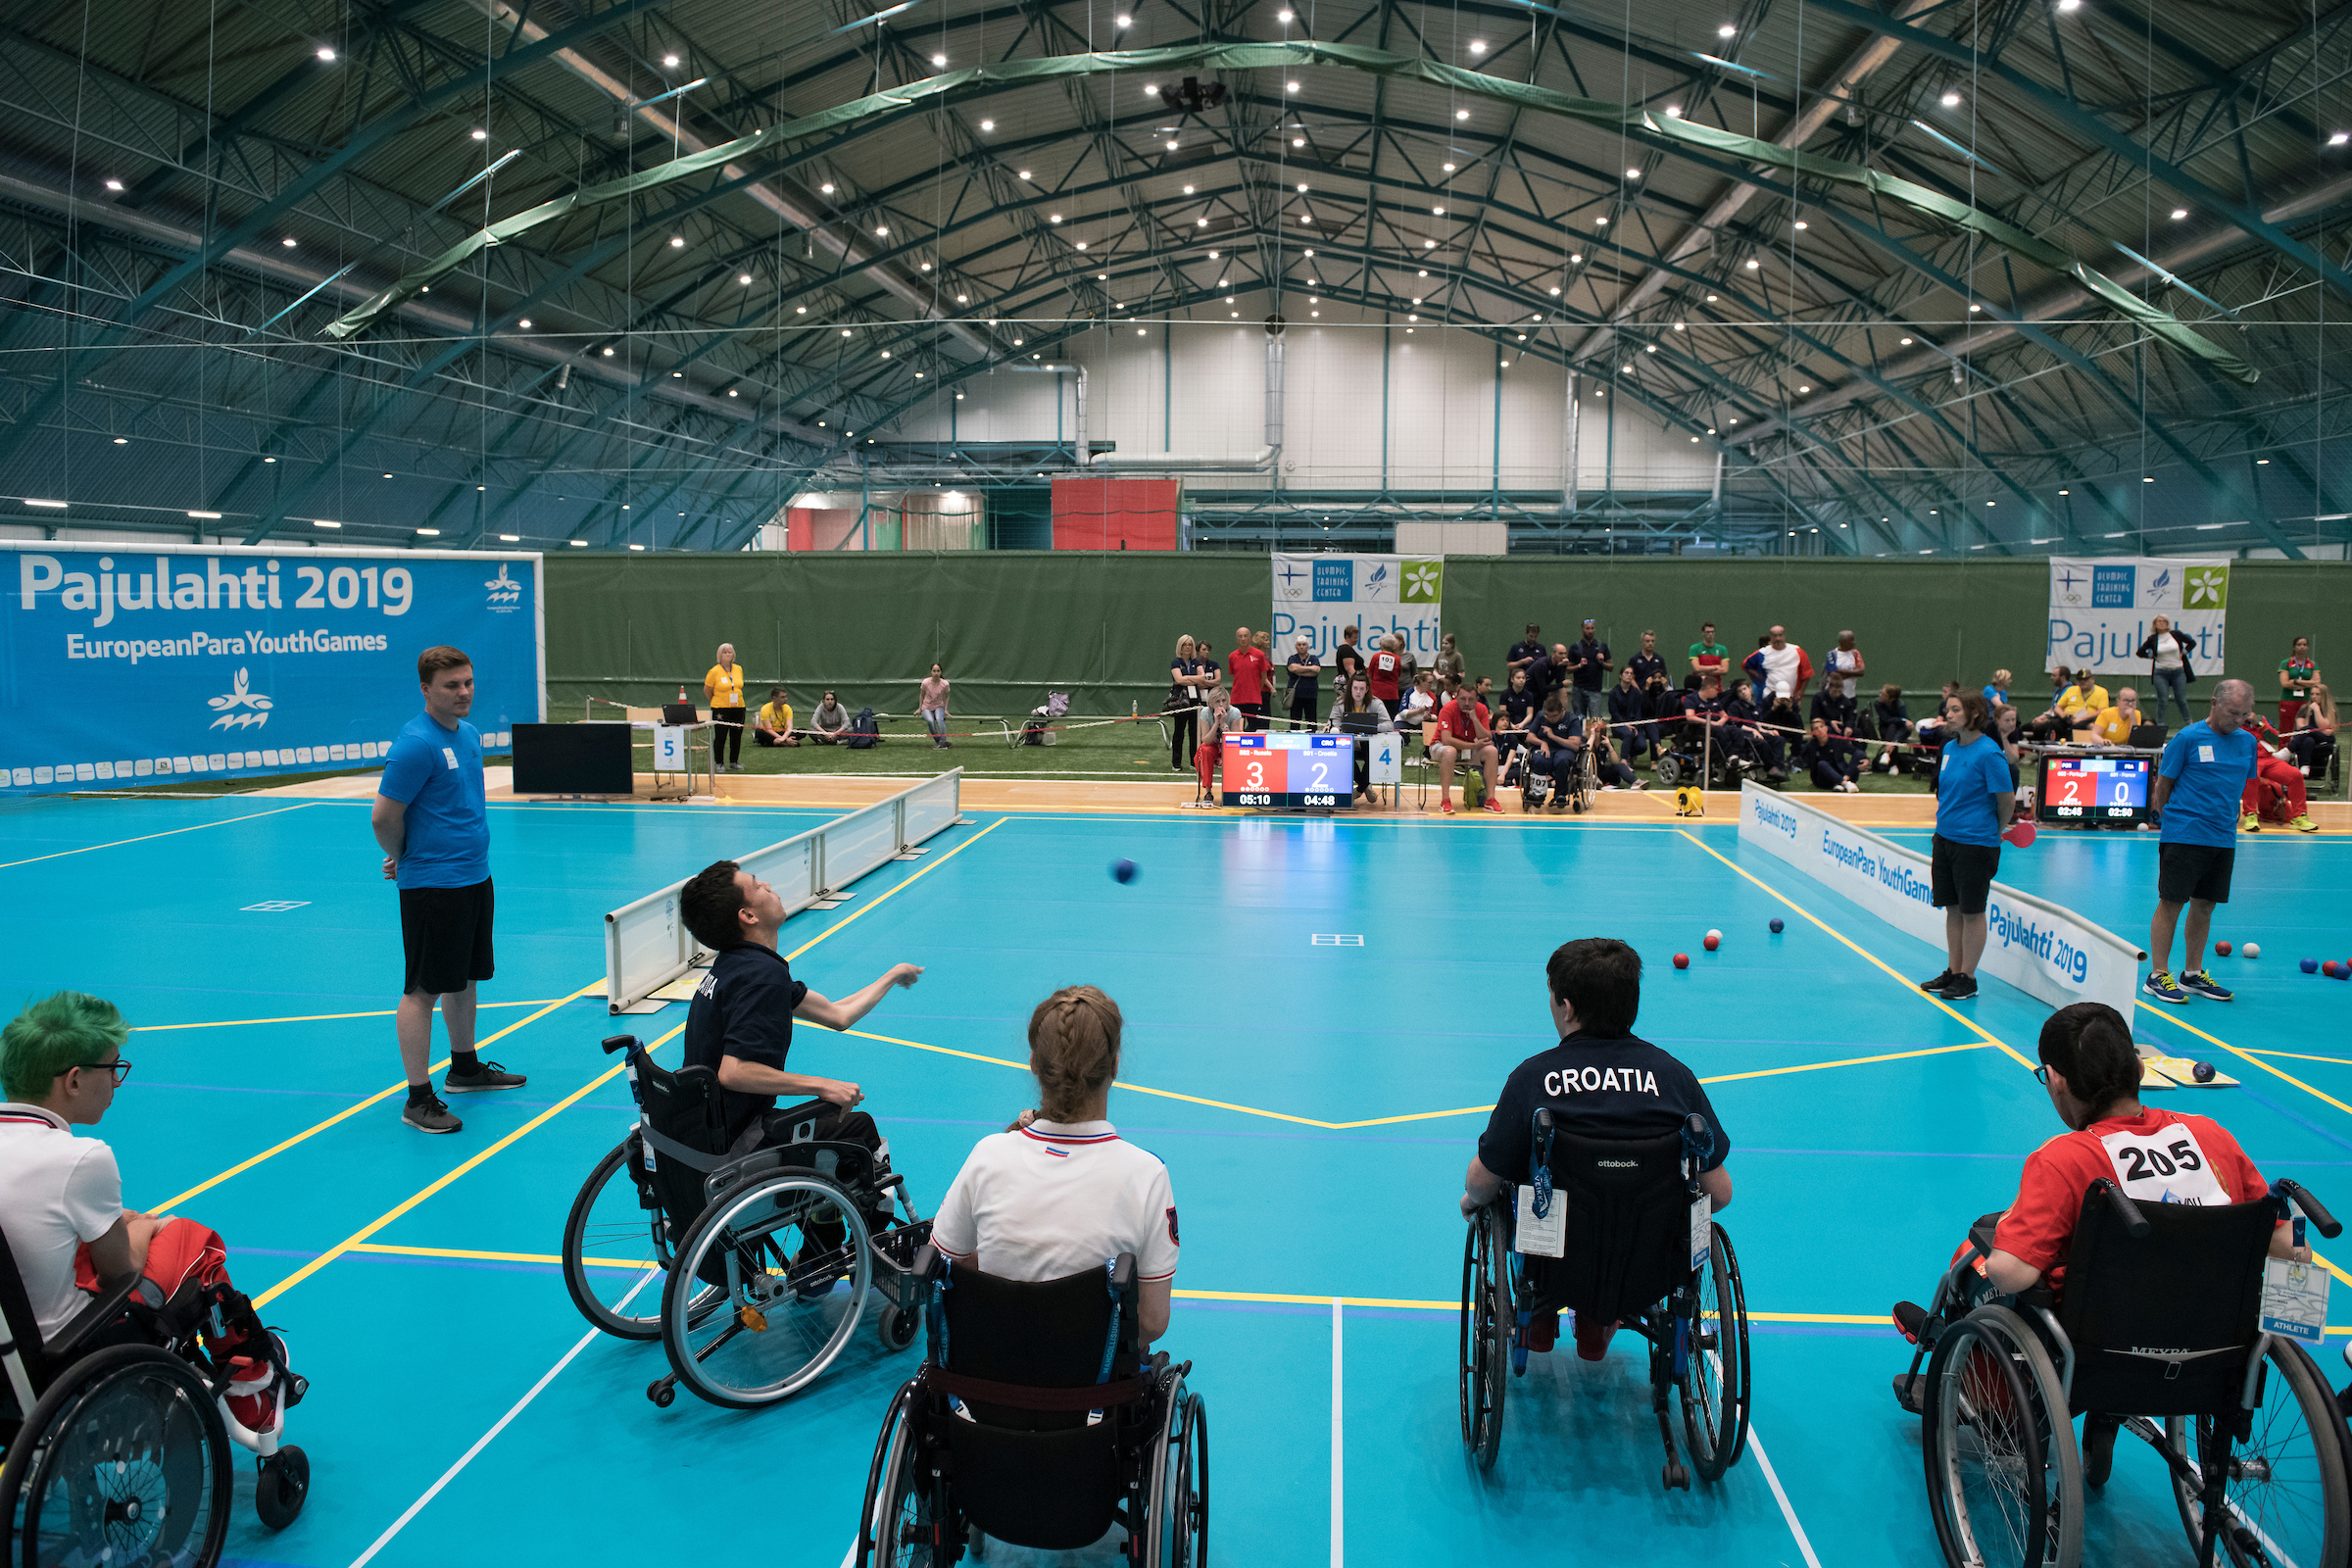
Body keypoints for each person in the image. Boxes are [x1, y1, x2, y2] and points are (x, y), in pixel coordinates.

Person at [1887, 1001, 2299, 1464]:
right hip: (2214, 1348)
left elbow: (2011, 1276)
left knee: (1974, 1258)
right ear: (2137, 1067)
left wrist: (2007, 1229)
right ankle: (2104, 1412)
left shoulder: (2066, 1159)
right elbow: (2290, 1248)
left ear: (2057, 1079)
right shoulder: (2210, 1136)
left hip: (2099, 1349)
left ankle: (1983, 1384)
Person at [0, 993, 300, 1442]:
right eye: (113, 1069)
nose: (118, 1082)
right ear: (75, 1081)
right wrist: (141, 1228)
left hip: (7, 1356)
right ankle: (251, 1385)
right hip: (63, 1356)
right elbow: (119, 1276)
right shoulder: (81, 1159)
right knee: (189, 1240)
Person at [1460, 938, 1734, 1361]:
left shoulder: (1534, 1079)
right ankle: (1599, 1322)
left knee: (1515, 1186)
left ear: (1566, 1007)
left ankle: (1542, 1320)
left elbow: (1482, 1180)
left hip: (1554, 1263)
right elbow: (1720, 1193)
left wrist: (1472, 1199)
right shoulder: (1675, 1079)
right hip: (1648, 1266)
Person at [676, 861, 922, 1245]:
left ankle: (820, 1246)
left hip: (703, 1134)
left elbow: (839, 1015)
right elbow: (734, 1071)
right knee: (857, 1131)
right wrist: (821, 1085)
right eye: (758, 885)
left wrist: (891, 976)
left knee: (827, 1134)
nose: (770, 885)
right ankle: (847, 1247)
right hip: (739, 1143)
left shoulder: (736, 967)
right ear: (748, 914)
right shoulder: (761, 978)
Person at [934, 987, 1178, 1346]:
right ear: (1113, 1066)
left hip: (990, 1383)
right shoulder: (1147, 1176)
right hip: (1094, 1392)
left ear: (1034, 1063)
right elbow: (1152, 1322)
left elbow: (943, 1269)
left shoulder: (988, 1156)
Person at [373, 646, 523, 1135]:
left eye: (468, 683)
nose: (463, 693)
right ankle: (418, 1098)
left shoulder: (471, 735)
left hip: (474, 875)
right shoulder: (415, 744)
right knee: (422, 990)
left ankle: (464, 1068)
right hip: (433, 885)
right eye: (451, 686)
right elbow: (383, 816)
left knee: (465, 977)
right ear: (425, 690)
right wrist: (404, 855)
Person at [2145, 679, 2260, 1005]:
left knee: (2205, 905)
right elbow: (2163, 784)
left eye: (2243, 714)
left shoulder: (2247, 742)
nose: (2237, 720)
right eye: (2232, 712)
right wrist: (2170, 821)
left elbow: (2241, 785)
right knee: (2172, 902)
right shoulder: (2188, 738)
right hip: (2184, 832)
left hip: (2223, 836)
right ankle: (2157, 975)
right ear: (2213, 703)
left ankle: (2192, 974)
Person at [1919, 691, 2016, 1003]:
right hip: (1945, 839)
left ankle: (1968, 978)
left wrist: (1994, 831)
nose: (1948, 715)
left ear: (1974, 714)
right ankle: (1953, 969)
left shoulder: (1990, 754)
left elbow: (2007, 800)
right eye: (1948, 709)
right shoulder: (1948, 748)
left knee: (1973, 912)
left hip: (1975, 844)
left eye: (1955, 710)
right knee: (1953, 908)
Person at [2238, 712, 2319, 834]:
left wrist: (2259, 724)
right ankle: (2250, 814)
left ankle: (2299, 816)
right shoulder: (2231, 721)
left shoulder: (2261, 719)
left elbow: (2275, 738)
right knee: (2252, 775)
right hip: (2248, 759)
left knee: (2295, 775)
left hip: (2268, 758)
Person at [1433, 678, 1501, 815]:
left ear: (1477, 699)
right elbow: (1446, 740)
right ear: (1456, 697)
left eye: (1471, 699)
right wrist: (1473, 745)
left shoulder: (1481, 709)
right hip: (1442, 747)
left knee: (1492, 751)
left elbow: (1487, 737)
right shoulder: (1448, 709)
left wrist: (1475, 718)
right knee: (1450, 751)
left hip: (1469, 748)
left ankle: (1490, 800)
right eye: (1463, 699)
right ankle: (1445, 800)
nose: (1467, 703)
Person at [1326, 670, 1395, 803]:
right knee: (1344, 755)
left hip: (1369, 745)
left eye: (1361, 689)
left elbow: (1389, 725)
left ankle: (1359, 790)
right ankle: (1366, 785)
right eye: (1355, 688)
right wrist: (1337, 727)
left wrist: (1370, 728)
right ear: (1350, 688)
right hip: (1348, 744)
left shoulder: (1376, 703)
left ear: (1367, 689)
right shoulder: (1340, 703)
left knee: (1373, 753)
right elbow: (1333, 722)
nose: (1358, 692)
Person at [2138, 614, 2197, 724]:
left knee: (2181, 699)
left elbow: (2192, 643)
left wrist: (2184, 652)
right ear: (2155, 624)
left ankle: (2189, 723)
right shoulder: (2153, 639)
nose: (2161, 623)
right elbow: (2140, 652)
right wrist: (2151, 656)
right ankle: (2160, 725)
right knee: (2163, 700)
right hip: (2160, 672)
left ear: (2167, 623)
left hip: (2178, 671)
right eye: (2159, 621)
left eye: (2163, 621)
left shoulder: (2176, 634)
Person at [2026, 666, 2109, 743]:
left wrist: (2081, 718)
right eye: (2080, 680)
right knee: (2051, 724)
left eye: (2085, 679)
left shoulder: (2102, 692)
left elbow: (2100, 712)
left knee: (2078, 726)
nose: (2082, 682)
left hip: (2086, 720)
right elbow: (2058, 707)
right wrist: (2063, 715)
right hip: (2068, 718)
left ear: (2092, 680)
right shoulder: (2071, 690)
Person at [1166, 635, 1210, 772]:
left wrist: (1187, 678)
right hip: (1180, 701)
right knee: (1179, 731)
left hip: (1195, 700)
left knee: (1195, 732)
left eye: (1190, 645)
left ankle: (1194, 761)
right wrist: (1192, 679)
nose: (1187, 647)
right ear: (1180, 646)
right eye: (1185, 644)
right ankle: (1176, 763)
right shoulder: (1175, 663)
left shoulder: (1196, 662)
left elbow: (1202, 678)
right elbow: (1178, 680)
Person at [1192, 686, 1243, 800]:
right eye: (1217, 701)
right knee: (1204, 750)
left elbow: (1235, 741)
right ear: (1211, 703)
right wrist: (1216, 723)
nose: (1221, 704)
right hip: (1213, 745)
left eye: (1223, 701)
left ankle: (1233, 791)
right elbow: (1206, 740)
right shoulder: (1205, 712)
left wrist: (1224, 725)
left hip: (1229, 746)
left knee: (1237, 754)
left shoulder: (1235, 712)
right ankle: (1208, 791)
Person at [705, 642, 748, 773]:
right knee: (721, 736)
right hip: (720, 708)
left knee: (736, 735)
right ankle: (719, 763)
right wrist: (717, 701)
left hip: (738, 707)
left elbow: (739, 685)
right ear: (720, 655)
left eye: (730, 652)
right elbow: (707, 690)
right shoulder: (714, 671)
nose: (728, 654)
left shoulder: (738, 669)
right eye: (725, 652)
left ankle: (734, 762)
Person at [1797, 715, 1862, 793]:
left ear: (1826, 728)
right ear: (1813, 732)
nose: (1820, 730)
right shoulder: (1811, 746)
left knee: (1858, 754)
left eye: (1821, 727)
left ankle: (1840, 783)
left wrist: (1865, 760)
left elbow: (1856, 752)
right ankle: (1845, 783)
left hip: (1842, 773)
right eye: (1816, 728)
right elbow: (1807, 763)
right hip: (1823, 778)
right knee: (1822, 763)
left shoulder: (1837, 740)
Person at [1226, 626, 1272, 733]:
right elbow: (1235, 675)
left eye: (1245, 636)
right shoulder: (1232, 656)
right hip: (1237, 699)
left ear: (1250, 638)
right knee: (1236, 728)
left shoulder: (1259, 655)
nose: (1243, 639)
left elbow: (1263, 677)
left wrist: (1255, 690)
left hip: (1254, 699)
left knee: (1254, 728)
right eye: (1240, 636)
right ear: (1237, 639)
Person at [1564, 619, 1612, 722]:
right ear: (1582, 629)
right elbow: (1568, 669)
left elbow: (1611, 667)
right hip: (1578, 690)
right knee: (1578, 720)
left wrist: (1602, 662)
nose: (1590, 631)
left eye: (1592, 628)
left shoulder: (1601, 646)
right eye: (1587, 628)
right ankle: (1578, 738)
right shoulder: (1575, 647)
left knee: (1596, 721)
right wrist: (1579, 665)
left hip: (1595, 690)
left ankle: (1595, 738)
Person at [2288, 683, 2337, 780]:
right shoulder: (2304, 708)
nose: (2314, 697)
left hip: (2324, 740)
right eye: (2312, 694)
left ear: (2324, 696)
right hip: (2306, 739)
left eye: (2317, 694)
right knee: (2309, 740)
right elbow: (2300, 727)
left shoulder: (2330, 711)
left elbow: (2326, 730)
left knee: (2308, 731)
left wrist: (2316, 710)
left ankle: (2288, 750)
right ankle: (2305, 766)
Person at [1756, 625, 1813, 707]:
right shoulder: (1763, 653)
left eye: (1780, 635)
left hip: (1791, 698)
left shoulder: (1797, 651)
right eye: (1775, 636)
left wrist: (1801, 692)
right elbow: (1746, 665)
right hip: (1769, 698)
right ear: (1771, 637)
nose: (1778, 638)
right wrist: (1760, 678)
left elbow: (1807, 673)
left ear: (1784, 636)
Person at [1607, 665, 1651, 765]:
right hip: (1617, 724)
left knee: (1642, 746)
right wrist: (1625, 725)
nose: (1629, 675)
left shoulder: (1636, 693)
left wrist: (1635, 727)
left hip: (1634, 725)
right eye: (1626, 673)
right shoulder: (1613, 693)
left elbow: (1638, 712)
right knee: (1628, 733)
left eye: (1631, 673)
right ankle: (1624, 760)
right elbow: (1614, 713)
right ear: (1621, 676)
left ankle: (1631, 753)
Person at [1870, 683, 1913, 773]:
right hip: (1885, 729)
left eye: (1884, 694)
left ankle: (1888, 753)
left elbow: (1905, 721)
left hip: (1901, 731)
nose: (1880, 695)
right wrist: (1902, 720)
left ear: (1891, 698)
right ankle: (1893, 762)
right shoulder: (1878, 703)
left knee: (1901, 728)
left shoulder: (1900, 704)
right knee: (1892, 727)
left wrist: (1903, 721)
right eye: (1881, 693)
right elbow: (1887, 719)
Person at [2279, 635, 2320, 731]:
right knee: (2286, 728)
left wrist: (2296, 681)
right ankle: (2284, 746)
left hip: (2306, 700)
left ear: (2307, 647)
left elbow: (2317, 682)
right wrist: (2308, 683)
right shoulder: (2286, 663)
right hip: (2288, 700)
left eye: (2305, 645)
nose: (2302, 647)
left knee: (2306, 727)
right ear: (2294, 646)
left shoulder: (2312, 664)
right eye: (2299, 644)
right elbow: (2285, 683)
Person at [1284, 635, 1322, 729]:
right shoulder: (1292, 658)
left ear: (1307, 646)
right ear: (1295, 646)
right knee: (1295, 721)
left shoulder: (1314, 658)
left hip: (1311, 694)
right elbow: (1292, 668)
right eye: (1299, 644)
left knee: (1312, 721)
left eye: (1304, 644)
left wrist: (1299, 670)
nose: (1301, 646)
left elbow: (1316, 670)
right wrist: (1309, 670)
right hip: (1295, 695)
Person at [916, 662, 952, 750]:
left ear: (941, 672)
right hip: (926, 707)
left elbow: (947, 696)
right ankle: (939, 742)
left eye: (938, 671)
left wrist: (946, 709)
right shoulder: (925, 682)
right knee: (930, 721)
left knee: (940, 720)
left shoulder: (945, 684)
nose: (936, 673)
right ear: (931, 672)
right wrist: (920, 708)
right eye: (934, 671)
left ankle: (942, 743)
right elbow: (921, 695)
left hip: (939, 706)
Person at [1825, 630, 1865, 703]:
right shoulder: (1832, 654)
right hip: (1834, 697)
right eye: (1851, 640)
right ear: (1842, 642)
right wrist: (1853, 672)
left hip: (1850, 696)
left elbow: (1861, 672)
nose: (1854, 643)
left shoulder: (1855, 653)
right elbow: (1833, 674)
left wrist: (1839, 670)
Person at [1367, 635, 1403, 712]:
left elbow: (1369, 673)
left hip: (1376, 693)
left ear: (1382, 644)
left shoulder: (1376, 657)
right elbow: (1399, 674)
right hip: (1392, 693)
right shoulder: (1397, 659)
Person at [1627, 629, 1668, 693]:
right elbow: (1631, 678)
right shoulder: (1635, 659)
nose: (1650, 643)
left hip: (1656, 695)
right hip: (1639, 693)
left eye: (1652, 641)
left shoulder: (1660, 659)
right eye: (1647, 641)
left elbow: (1663, 678)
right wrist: (1639, 692)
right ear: (1642, 642)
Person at [1333, 624, 1365, 688]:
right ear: (1347, 637)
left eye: (1357, 637)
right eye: (1355, 638)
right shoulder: (1346, 650)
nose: (1357, 640)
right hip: (1348, 682)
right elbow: (1350, 669)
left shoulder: (1345, 649)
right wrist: (1355, 684)